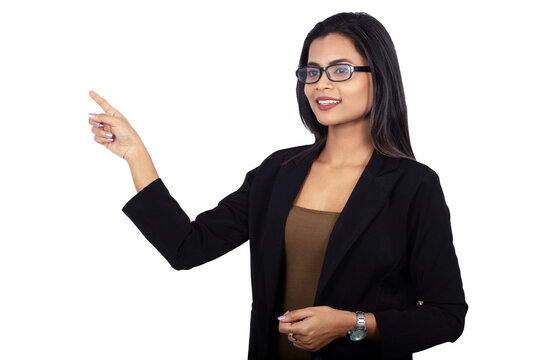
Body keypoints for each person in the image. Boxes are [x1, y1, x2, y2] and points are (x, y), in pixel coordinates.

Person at [87, 11, 467, 360]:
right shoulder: (278, 171)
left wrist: (351, 324)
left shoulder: (414, 186)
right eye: (312, 72)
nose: (321, 84)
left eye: (340, 70)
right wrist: (136, 154)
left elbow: (446, 315)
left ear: (379, 76)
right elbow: (187, 247)